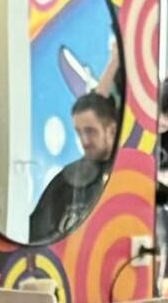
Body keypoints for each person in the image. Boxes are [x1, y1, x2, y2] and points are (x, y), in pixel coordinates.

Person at [30, 85, 121, 241]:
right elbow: (35, 237)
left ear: (111, 130)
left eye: (90, 131)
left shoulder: (129, 176)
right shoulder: (66, 180)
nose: (84, 141)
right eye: (79, 132)